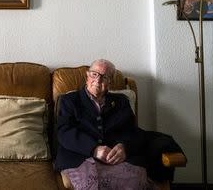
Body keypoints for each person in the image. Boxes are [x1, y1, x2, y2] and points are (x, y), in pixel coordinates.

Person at [55, 59, 151, 189]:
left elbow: (132, 131)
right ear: (87, 75)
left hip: (116, 159)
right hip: (79, 157)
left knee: (135, 181)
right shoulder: (69, 100)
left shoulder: (121, 102)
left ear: (110, 81)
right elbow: (64, 132)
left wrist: (124, 147)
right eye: (94, 74)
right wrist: (93, 149)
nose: (98, 80)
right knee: (91, 184)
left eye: (104, 77)